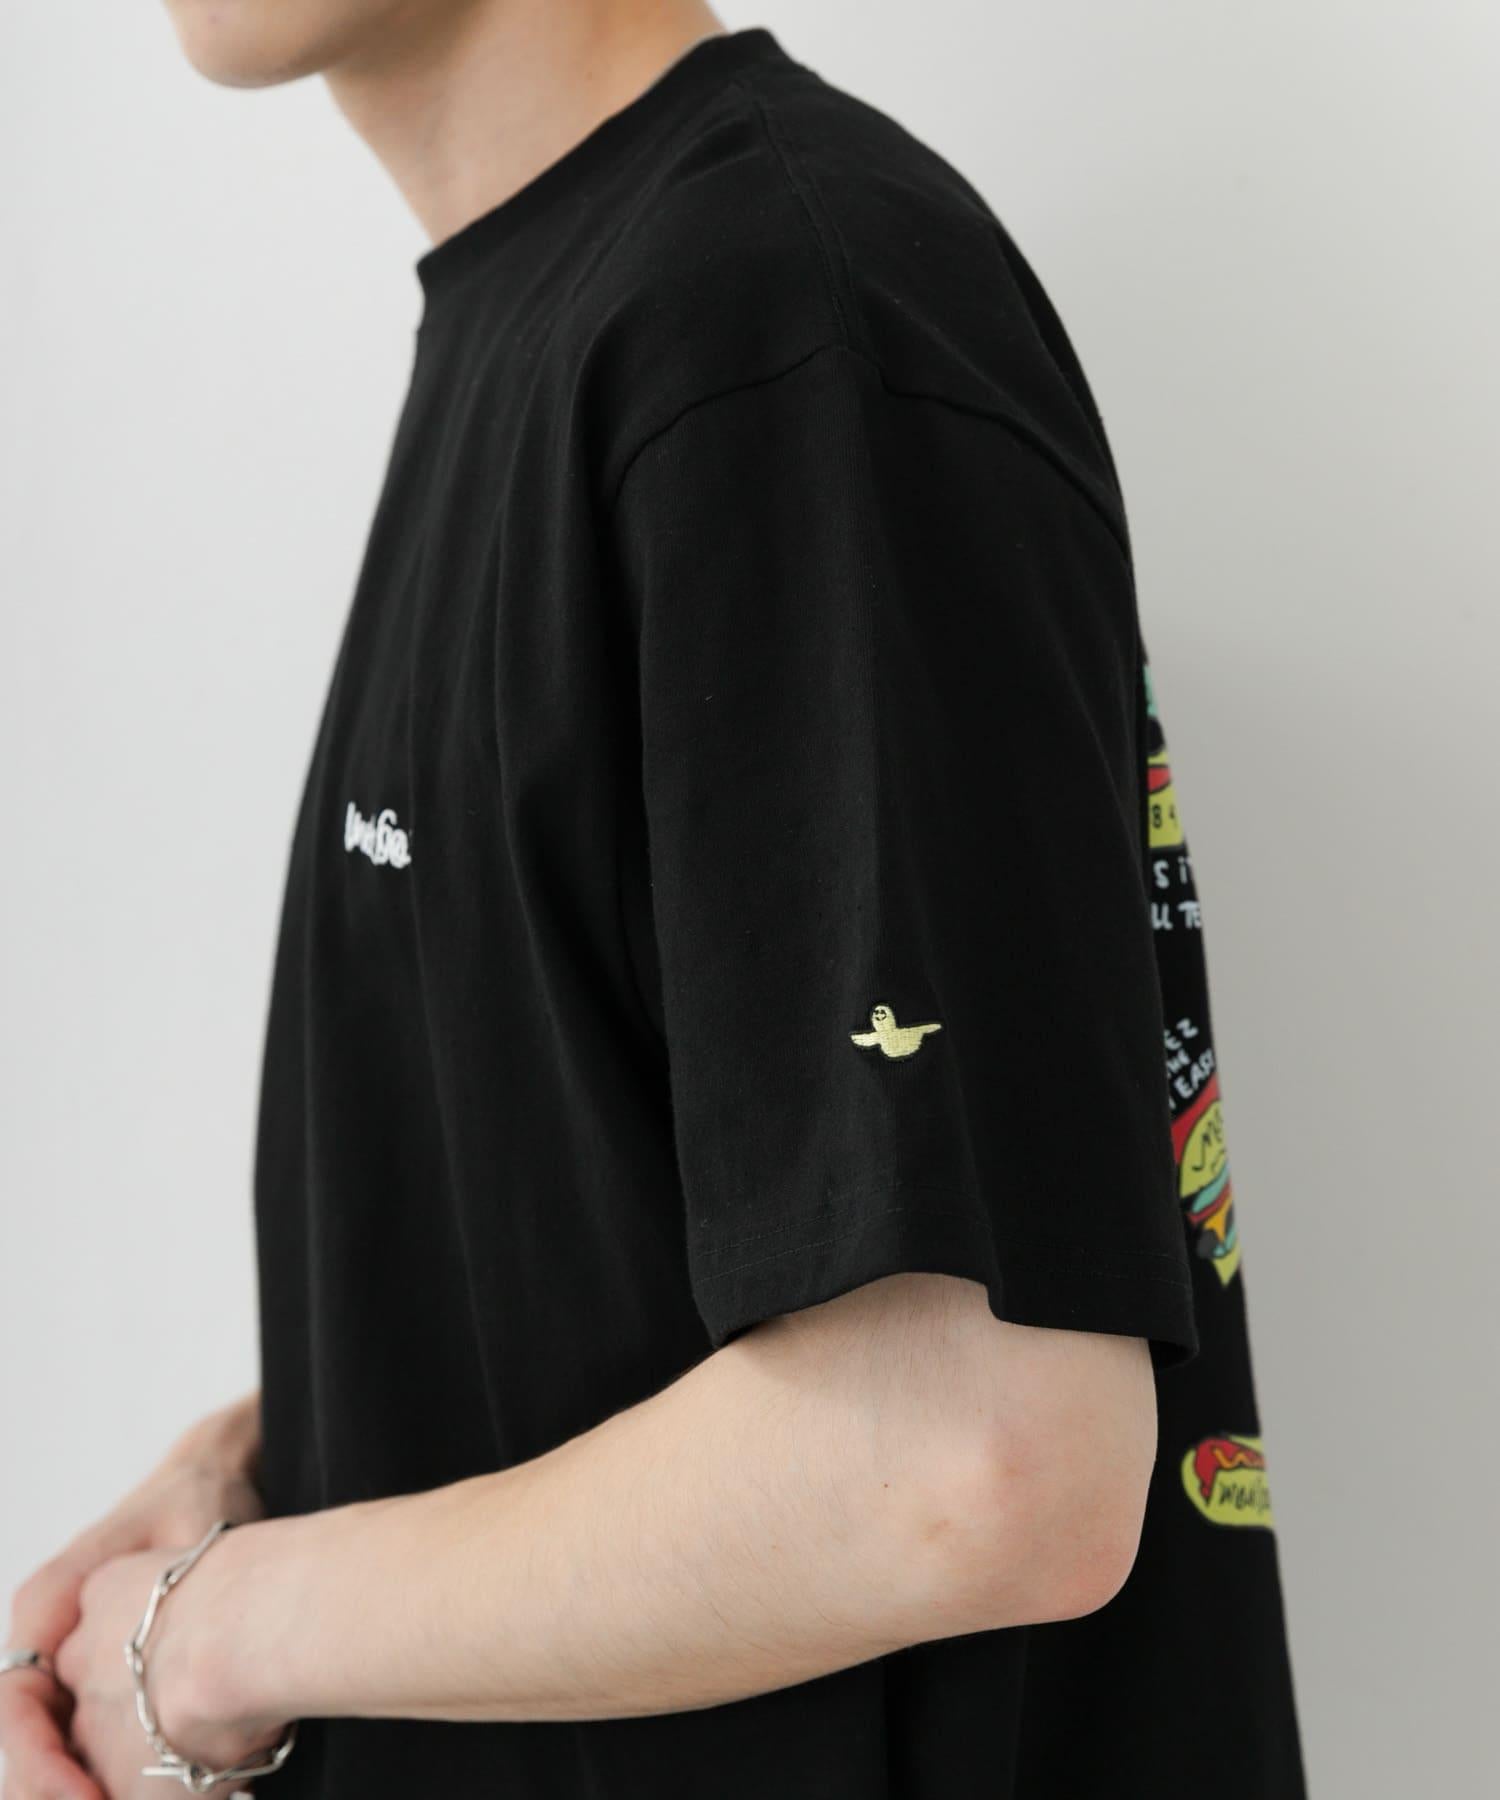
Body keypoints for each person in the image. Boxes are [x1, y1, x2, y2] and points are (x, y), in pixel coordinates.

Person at [0, 5, 1307, 1797]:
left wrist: (216, 1639)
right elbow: (631, 1265)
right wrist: (258, 1470)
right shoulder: (599, 313)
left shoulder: (775, 317)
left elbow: (971, 1461)